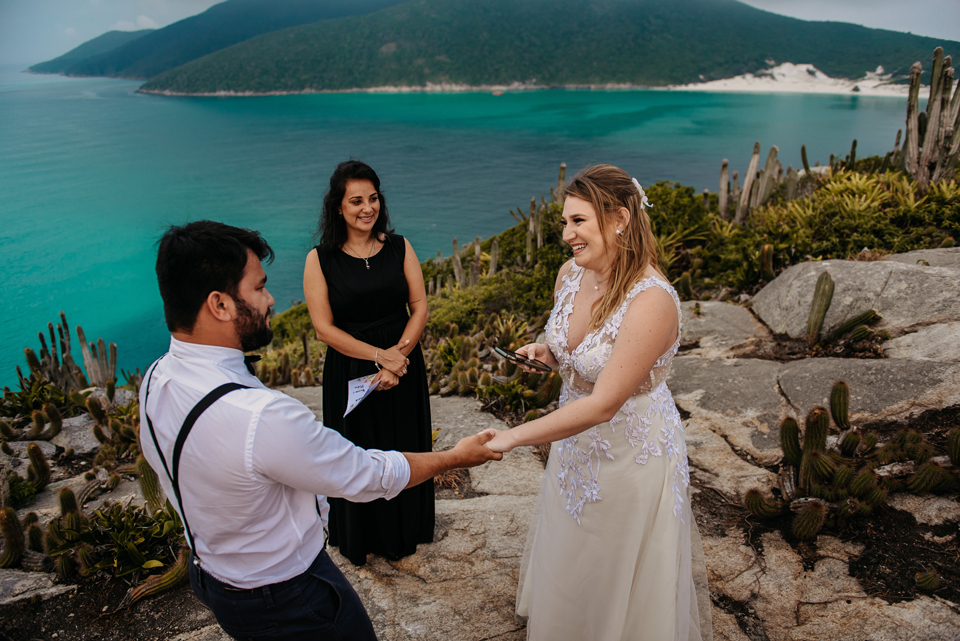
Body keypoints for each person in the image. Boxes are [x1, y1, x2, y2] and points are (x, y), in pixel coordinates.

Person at [140, 220, 501, 641]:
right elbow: (369, 475)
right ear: (219, 305)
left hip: (212, 578)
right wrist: (456, 457)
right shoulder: (262, 416)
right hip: (290, 595)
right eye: (259, 288)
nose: (271, 299)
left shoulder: (155, 380)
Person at [486, 165, 711, 641]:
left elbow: (605, 402)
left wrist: (512, 437)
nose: (566, 234)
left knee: (614, 559)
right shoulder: (570, 274)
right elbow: (579, 349)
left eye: (578, 222)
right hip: (575, 444)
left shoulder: (652, 300)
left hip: (629, 452)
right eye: (564, 222)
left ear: (619, 219)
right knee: (572, 543)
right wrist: (548, 353)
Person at [302, 160, 434, 566]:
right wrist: (378, 357)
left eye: (373, 198)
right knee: (355, 453)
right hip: (351, 369)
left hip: (403, 362)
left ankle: (407, 530)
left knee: (404, 443)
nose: (367, 208)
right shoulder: (319, 259)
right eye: (356, 200)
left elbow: (419, 306)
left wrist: (396, 360)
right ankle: (362, 536)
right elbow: (323, 329)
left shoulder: (400, 246)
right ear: (338, 207)